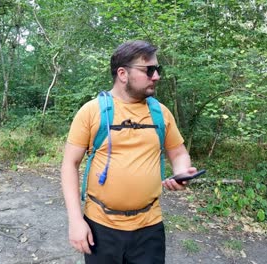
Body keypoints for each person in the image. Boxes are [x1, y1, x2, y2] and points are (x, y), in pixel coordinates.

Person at [61, 40, 197, 263]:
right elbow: (69, 165)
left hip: (149, 229)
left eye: (158, 69)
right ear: (122, 74)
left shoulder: (160, 113)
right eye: (149, 70)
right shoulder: (92, 111)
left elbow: (179, 153)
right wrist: (76, 221)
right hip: (100, 227)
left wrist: (182, 173)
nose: (156, 76)